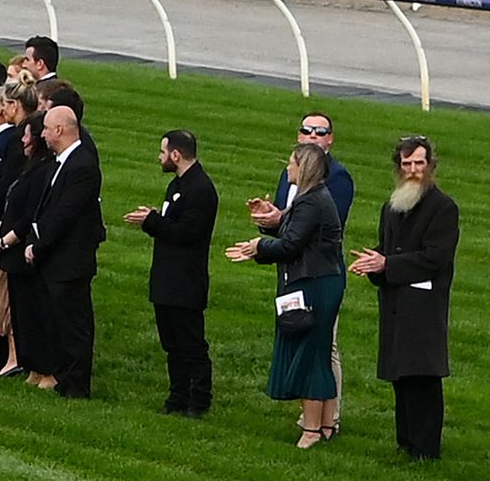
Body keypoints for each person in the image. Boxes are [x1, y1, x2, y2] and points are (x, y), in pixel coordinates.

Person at [348, 136, 459, 458]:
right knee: (401, 373)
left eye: (419, 164)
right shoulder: (393, 205)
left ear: (430, 166)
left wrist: (388, 264)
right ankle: (406, 441)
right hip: (395, 301)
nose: (413, 170)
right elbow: (387, 249)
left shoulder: (443, 207)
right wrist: (373, 264)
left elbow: (436, 258)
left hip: (424, 305)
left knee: (422, 374)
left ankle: (426, 448)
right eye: (407, 164)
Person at [235, 139, 349, 444]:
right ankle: (325, 425)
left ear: (304, 167)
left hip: (315, 284)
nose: (287, 167)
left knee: (309, 355)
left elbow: (290, 245)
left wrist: (258, 246)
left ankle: (311, 430)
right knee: (319, 354)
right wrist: (268, 230)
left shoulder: (311, 201)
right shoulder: (310, 199)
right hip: (320, 280)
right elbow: (292, 232)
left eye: (291, 163)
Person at [14, 104, 104, 399]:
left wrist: (37, 243)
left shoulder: (82, 165)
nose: (43, 134)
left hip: (70, 260)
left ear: (60, 130)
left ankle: (77, 385)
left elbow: (64, 213)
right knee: (57, 321)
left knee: (74, 324)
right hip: (55, 258)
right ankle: (63, 375)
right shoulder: (61, 162)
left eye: (47, 129)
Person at [128, 131, 220, 417]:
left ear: (176, 155)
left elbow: (187, 233)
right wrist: (155, 218)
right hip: (167, 278)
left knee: (191, 343)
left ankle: (199, 399)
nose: (160, 157)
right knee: (172, 344)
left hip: (186, 280)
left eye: (163, 152)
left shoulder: (201, 189)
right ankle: (177, 396)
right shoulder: (177, 185)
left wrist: (151, 221)